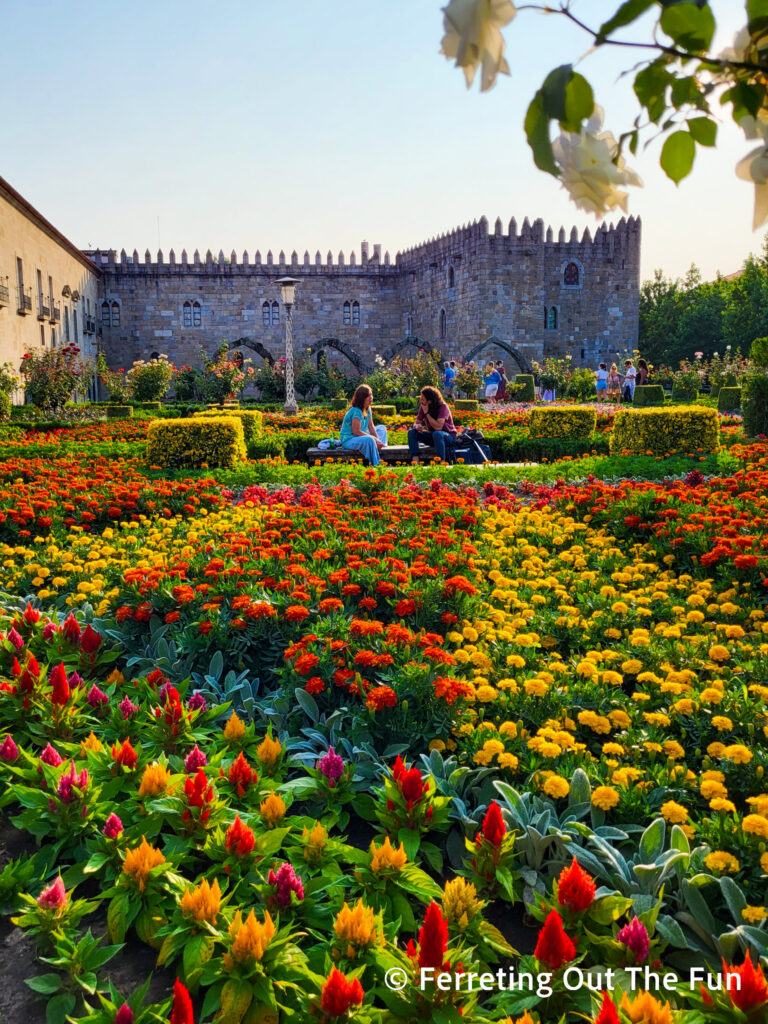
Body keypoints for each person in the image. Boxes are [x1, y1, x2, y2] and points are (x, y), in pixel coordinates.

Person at [339, 384, 388, 466]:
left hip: (361, 436)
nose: (371, 397)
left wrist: (377, 440)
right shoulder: (356, 410)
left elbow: (371, 427)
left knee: (381, 428)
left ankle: (376, 447)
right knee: (369, 440)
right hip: (350, 439)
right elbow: (356, 432)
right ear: (362, 398)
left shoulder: (367, 409)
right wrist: (373, 438)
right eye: (368, 396)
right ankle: (376, 463)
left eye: (371, 394)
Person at [407, 385, 457, 464]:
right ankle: (415, 460)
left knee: (437, 434)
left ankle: (441, 461)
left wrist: (427, 413)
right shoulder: (423, 406)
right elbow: (417, 422)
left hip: (448, 437)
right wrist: (417, 426)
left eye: (422, 399)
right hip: (433, 436)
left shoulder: (443, 407)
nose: (420, 401)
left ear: (430, 401)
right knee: (411, 432)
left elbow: (438, 427)